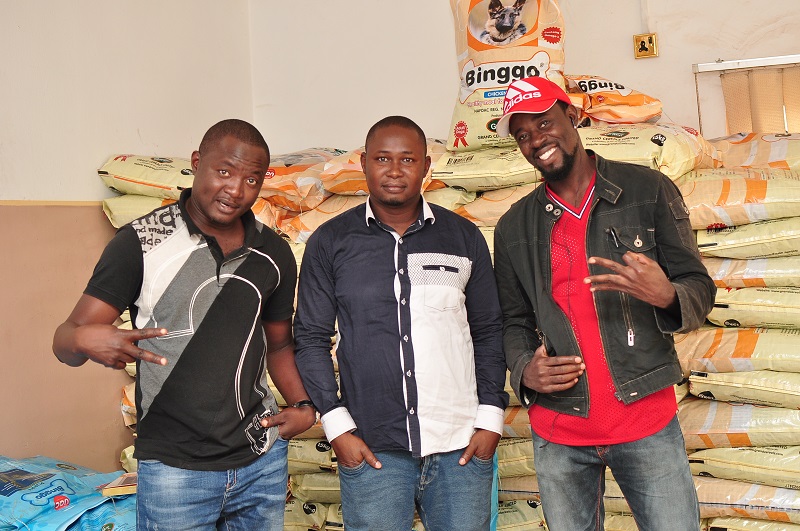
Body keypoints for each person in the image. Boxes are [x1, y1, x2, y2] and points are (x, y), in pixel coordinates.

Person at [52, 119, 316, 530]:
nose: (236, 190)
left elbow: (279, 344)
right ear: (196, 163)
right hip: (174, 468)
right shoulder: (140, 241)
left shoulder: (273, 252)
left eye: (251, 179)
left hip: (260, 460)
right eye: (224, 171)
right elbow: (64, 341)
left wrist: (302, 406)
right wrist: (85, 339)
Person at [492, 77, 716, 531]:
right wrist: (524, 369)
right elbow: (512, 321)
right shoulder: (513, 226)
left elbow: (699, 286)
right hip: (559, 430)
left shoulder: (647, 190)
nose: (536, 140)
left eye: (544, 123)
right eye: (523, 135)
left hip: (645, 420)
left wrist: (667, 295)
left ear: (573, 116)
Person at [293, 116, 509, 531]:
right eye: (382, 159)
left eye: (407, 159)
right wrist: (337, 428)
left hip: (460, 445)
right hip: (372, 447)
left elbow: (488, 330)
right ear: (363, 163)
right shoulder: (331, 241)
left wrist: (490, 421)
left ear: (426, 166)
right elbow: (311, 338)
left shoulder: (463, 238)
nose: (394, 170)